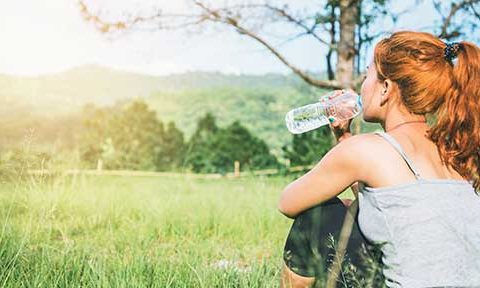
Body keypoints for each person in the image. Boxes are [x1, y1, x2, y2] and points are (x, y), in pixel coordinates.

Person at [278, 30, 480, 288]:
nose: (362, 86)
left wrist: (345, 153)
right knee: (355, 207)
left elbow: (288, 202)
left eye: (366, 75)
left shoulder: (367, 150)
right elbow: (392, 202)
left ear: (385, 88)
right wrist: (344, 137)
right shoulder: (456, 150)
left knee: (318, 212)